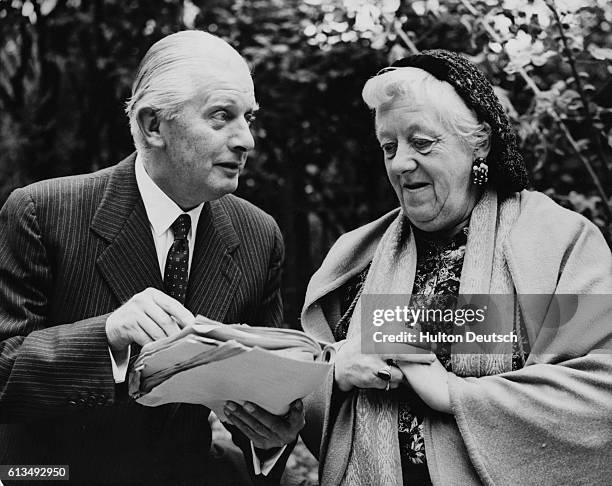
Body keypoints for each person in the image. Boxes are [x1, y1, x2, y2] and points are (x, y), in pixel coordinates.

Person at [0, 30, 303, 485]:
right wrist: (108, 335)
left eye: (249, 117)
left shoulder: (259, 236)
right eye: (222, 116)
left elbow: (262, 401)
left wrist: (270, 437)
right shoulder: (41, 212)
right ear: (152, 125)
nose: (247, 140)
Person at [300, 50, 612, 485]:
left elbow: (601, 392)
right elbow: (299, 395)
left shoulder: (559, 243)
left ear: (479, 141)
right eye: (388, 146)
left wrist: (457, 396)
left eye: (422, 143)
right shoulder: (354, 258)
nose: (400, 163)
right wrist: (335, 372)